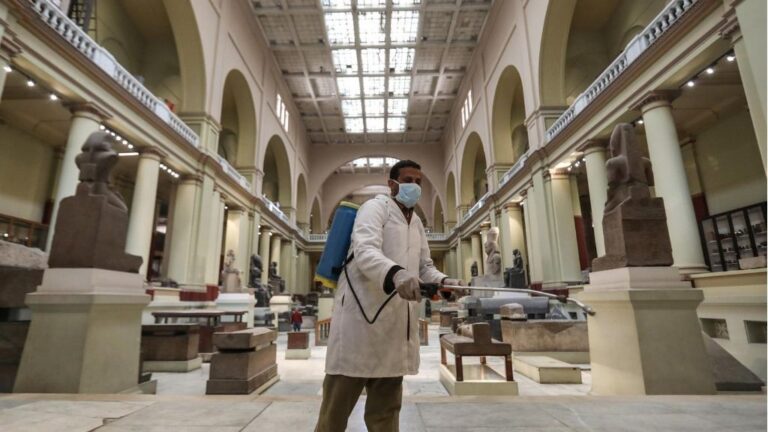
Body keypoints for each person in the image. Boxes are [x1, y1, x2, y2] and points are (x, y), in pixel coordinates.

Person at [315, 160, 464, 432]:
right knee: (334, 416)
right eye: (408, 180)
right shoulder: (375, 208)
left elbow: (424, 267)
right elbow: (365, 250)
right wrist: (396, 274)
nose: (414, 186)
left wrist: (444, 281)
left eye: (419, 182)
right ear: (392, 183)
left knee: (386, 416)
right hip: (359, 326)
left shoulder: (416, 221)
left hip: (394, 329)